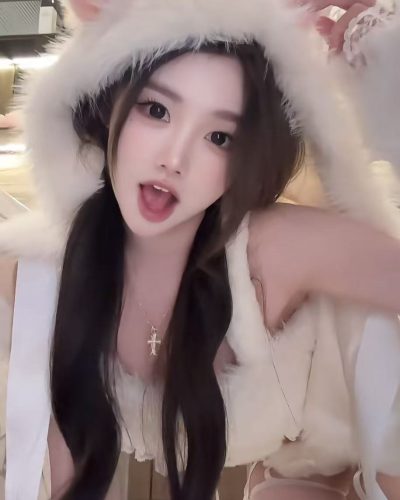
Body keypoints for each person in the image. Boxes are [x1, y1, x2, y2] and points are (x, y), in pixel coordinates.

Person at [0, 0, 399, 499]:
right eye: (157, 110)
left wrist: (390, 76)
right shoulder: (42, 284)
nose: (174, 159)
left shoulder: (274, 252)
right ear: (108, 108)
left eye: (219, 137)